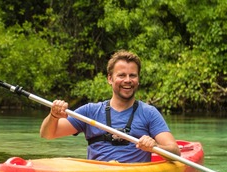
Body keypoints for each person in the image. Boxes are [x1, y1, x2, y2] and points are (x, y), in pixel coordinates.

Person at [40, 50, 180, 163]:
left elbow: (175, 152)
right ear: (110, 79)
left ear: (138, 80)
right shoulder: (89, 111)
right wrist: (53, 116)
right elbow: (47, 134)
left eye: (132, 75)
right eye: (121, 75)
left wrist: (155, 147)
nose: (127, 80)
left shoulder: (149, 113)